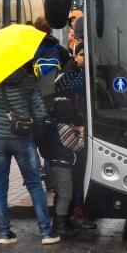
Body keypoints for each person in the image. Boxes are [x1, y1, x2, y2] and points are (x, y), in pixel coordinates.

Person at [0, 62, 59, 245]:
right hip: (23, 138)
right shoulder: (28, 80)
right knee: (35, 184)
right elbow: (41, 113)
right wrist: (36, 132)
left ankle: (4, 233)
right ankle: (45, 232)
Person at [46, 44, 87, 237]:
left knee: (63, 193)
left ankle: (63, 220)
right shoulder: (66, 79)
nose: (85, 57)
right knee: (65, 193)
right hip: (64, 162)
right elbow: (77, 146)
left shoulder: (55, 127)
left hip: (57, 161)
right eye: (81, 54)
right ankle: (60, 224)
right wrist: (80, 132)